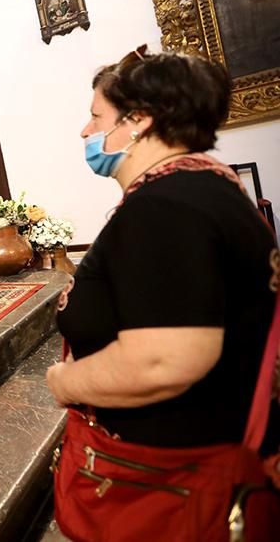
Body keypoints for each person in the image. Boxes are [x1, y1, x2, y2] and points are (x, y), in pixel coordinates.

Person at [46, 46, 279, 540]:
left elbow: (161, 361)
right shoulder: (208, 188)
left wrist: (64, 382)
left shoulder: (164, 209)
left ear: (139, 121)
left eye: (95, 118)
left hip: (174, 487)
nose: (86, 132)